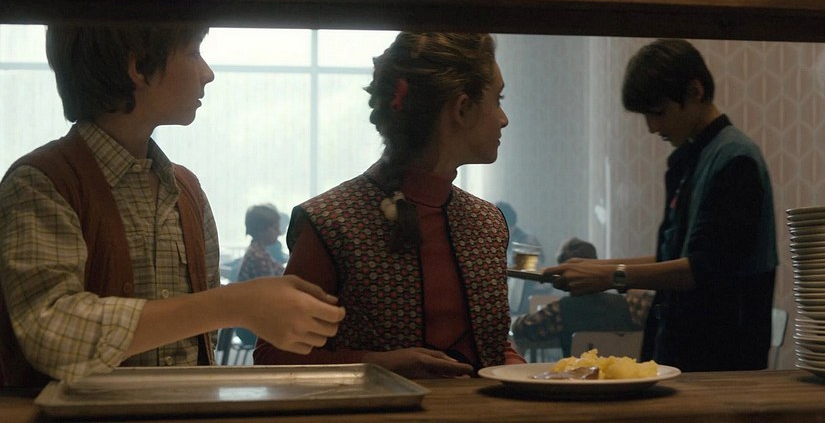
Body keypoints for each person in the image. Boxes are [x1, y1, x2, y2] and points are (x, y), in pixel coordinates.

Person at [0, 24, 345, 387]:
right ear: (137, 66)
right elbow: (50, 333)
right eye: (194, 52)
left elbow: (201, 343)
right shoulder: (42, 182)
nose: (207, 73)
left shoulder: (186, 189)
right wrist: (235, 304)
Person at [254, 32, 526, 378]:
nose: (504, 118)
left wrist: (532, 377)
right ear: (461, 108)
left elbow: (492, 346)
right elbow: (274, 354)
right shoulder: (334, 223)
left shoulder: (487, 223)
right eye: (498, 99)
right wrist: (376, 364)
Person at [545, 38, 777, 371]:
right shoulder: (692, 158)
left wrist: (610, 276)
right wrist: (596, 268)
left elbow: (704, 268)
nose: (652, 127)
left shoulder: (735, 159)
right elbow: (675, 256)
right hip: (685, 347)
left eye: (658, 112)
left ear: (694, 91)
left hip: (721, 356)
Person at [511, 238, 653, 358]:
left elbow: (521, 328)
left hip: (576, 378)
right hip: (626, 377)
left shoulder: (559, 310)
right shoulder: (630, 304)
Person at [237, 203, 286, 282]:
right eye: (275, 228)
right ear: (260, 230)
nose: (279, 233)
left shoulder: (258, 252)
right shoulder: (259, 258)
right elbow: (272, 286)